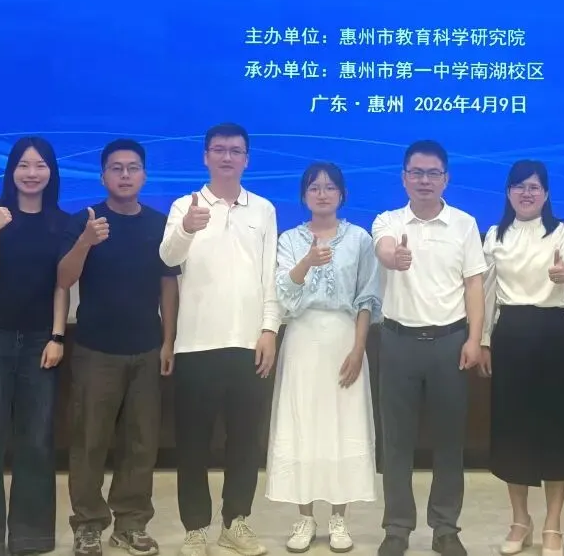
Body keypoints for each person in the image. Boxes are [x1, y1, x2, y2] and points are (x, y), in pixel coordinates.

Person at [160, 123, 280, 556]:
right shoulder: (184, 205)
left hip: (249, 345)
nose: (227, 157)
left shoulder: (263, 209)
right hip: (196, 345)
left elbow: (270, 275)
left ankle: (236, 523)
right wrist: (187, 228)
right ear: (206, 156)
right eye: (219, 150)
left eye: (235, 151)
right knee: (192, 443)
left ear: (246, 158)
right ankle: (195, 529)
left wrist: (269, 329)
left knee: (244, 442)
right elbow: (168, 258)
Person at [58, 139, 180, 556]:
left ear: (144, 175)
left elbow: (168, 284)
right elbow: (64, 278)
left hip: (146, 348)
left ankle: (130, 523)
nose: (125, 175)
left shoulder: (159, 224)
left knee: (141, 443)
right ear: (103, 176)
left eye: (132, 168)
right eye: (116, 168)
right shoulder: (85, 221)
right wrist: (85, 242)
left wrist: (168, 341)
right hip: (96, 349)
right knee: (89, 441)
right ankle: (88, 525)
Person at [371, 139, 486, 556]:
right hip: (398, 341)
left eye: (433, 173)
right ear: (404, 178)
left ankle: (445, 528)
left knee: (449, 442)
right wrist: (394, 258)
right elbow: (384, 249)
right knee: (396, 442)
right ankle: (397, 528)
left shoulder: (464, 224)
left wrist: (474, 339)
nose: (424, 180)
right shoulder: (388, 220)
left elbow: (474, 285)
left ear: (446, 179)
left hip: (449, 343)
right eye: (416, 173)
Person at [266, 162, 382, 553]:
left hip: (344, 339)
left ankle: (338, 518)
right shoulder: (289, 239)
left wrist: (359, 348)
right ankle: (304, 517)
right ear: (304, 195)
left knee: (342, 426)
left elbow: (367, 298)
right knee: (303, 424)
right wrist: (306, 262)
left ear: (342, 194)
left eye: (330, 187)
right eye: (314, 187)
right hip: (302, 339)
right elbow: (284, 293)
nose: (322, 193)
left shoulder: (360, 239)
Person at [0, 136, 69, 556]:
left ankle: (31, 537)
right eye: (23, 165)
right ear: (11, 171)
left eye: (40, 165)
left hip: (40, 340)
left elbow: (62, 286)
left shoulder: (62, 223)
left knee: (37, 439)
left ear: (51, 172)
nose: (31, 173)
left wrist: (57, 336)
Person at [479, 160, 564, 556]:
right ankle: (520, 520)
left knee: (557, 430)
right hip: (510, 335)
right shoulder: (495, 234)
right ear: (508, 192)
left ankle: (553, 525)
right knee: (514, 432)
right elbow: (486, 292)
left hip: (552, 334)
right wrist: (484, 341)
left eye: (535, 186)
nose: (527, 193)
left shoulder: (563, 229)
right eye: (519, 186)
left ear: (546, 193)